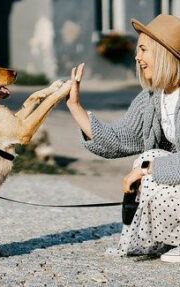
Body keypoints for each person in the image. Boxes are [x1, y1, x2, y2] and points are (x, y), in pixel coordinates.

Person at [66, 14, 180, 262]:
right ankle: (165, 240)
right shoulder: (152, 98)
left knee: (149, 164)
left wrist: (146, 170)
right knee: (149, 159)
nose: (137, 57)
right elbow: (118, 139)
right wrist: (76, 107)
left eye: (143, 50)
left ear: (164, 54)